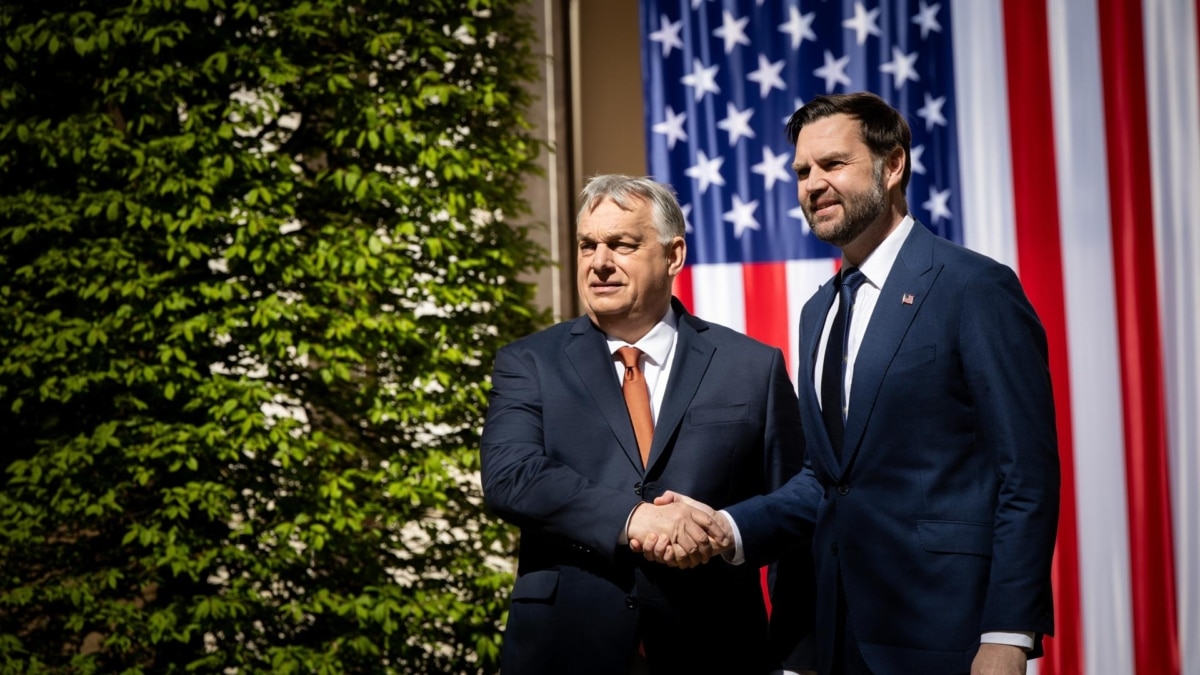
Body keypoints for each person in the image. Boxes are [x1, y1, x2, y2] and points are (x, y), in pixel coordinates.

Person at [638, 92, 1060, 675]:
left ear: (893, 166)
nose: (813, 184)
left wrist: (1008, 633)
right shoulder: (819, 312)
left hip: (950, 634)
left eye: (833, 164)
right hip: (836, 636)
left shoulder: (975, 288)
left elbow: (1027, 475)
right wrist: (725, 527)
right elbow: (826, 481)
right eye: (802, 171)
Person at [480, 174, 814, 674]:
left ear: (673, 255)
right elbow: (511, 476)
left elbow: (795, 507)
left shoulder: (751, 367)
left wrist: (796, 660)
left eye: (622, 244)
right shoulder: (529, 362)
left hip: (715, 648)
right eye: (588, 245)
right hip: (566, 649)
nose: (599, 262)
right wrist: (634, 518)